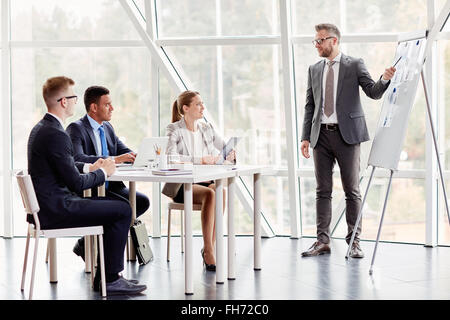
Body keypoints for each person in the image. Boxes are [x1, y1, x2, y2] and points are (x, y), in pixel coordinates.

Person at [27, 76, 146, 295]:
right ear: (64, 101)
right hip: (57, 209)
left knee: (117, 206)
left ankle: (107, 277)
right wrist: (103, 172)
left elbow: (68, 165)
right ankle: (110, 279)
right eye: (73, 97)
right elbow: (76, 183)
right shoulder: (57, 134)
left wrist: (89, 168)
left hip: (48, 205)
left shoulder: (43, 128)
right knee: (122, 210)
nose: (75, 101)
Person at [300, 23, 396, 259]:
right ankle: (322, 241)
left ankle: (354, 241)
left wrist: (384, 79)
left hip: (348, 136)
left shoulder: (354, 64)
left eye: (320, 40)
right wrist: (304, 137)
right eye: (316, 41)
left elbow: (373, 92)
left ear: (334, 41)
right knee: (322, 191)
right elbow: (310, 105)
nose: (317, 44)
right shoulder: (314, 69)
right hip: (319, 136)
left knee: (352, 191)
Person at [66, 85, 150, 260]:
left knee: (141, 202)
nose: (112, 108)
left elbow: (123, 150)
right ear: (94, 107)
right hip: (91, 187)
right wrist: (115, 159)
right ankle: (101, 254)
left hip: (112, 186)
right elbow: (78, 158)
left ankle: (85, 243)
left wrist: (141, 156)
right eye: (107, 104)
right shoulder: (76, 128)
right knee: (124, 209)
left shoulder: (108, 127)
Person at [161, 90, 234, 271]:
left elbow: (225, 148)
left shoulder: (206, 128)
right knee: (210, 193)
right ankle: (209, 251)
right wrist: (200, 160)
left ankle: (209, 246)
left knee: (220, 191)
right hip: (180, 185)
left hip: (203, 180)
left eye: (202, 103)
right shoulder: (174, 129)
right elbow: (170, 157)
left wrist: (231, 154)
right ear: (185, 108)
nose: (203, 107)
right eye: (198, 104)